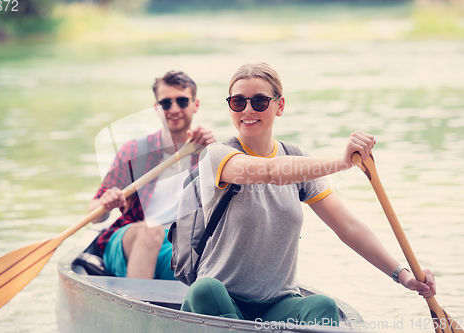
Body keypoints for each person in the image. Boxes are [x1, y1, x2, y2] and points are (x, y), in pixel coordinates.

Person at [180, 62, 436, 326]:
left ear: (279, 106)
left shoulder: (296, 158)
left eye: (259, 101)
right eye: (238, 101)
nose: (247, 110)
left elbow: (347, 226)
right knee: (205, 289)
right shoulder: (217, 155)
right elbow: (270, 172)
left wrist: (403, 275)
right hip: (219, 301)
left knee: (322, 305)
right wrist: (343, 162)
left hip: (277, 304)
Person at [88, 70, 215, 279]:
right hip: (131, 239)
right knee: (152, 230)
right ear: (157, 109)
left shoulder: (209, 154)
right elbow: (94, 214)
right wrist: (106, 201)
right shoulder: (135, 151)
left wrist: (214, 154)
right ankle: (134, 305)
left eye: (182, 101)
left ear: (195, 105)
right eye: (166, 103)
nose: (174, 109)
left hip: (177, 245)